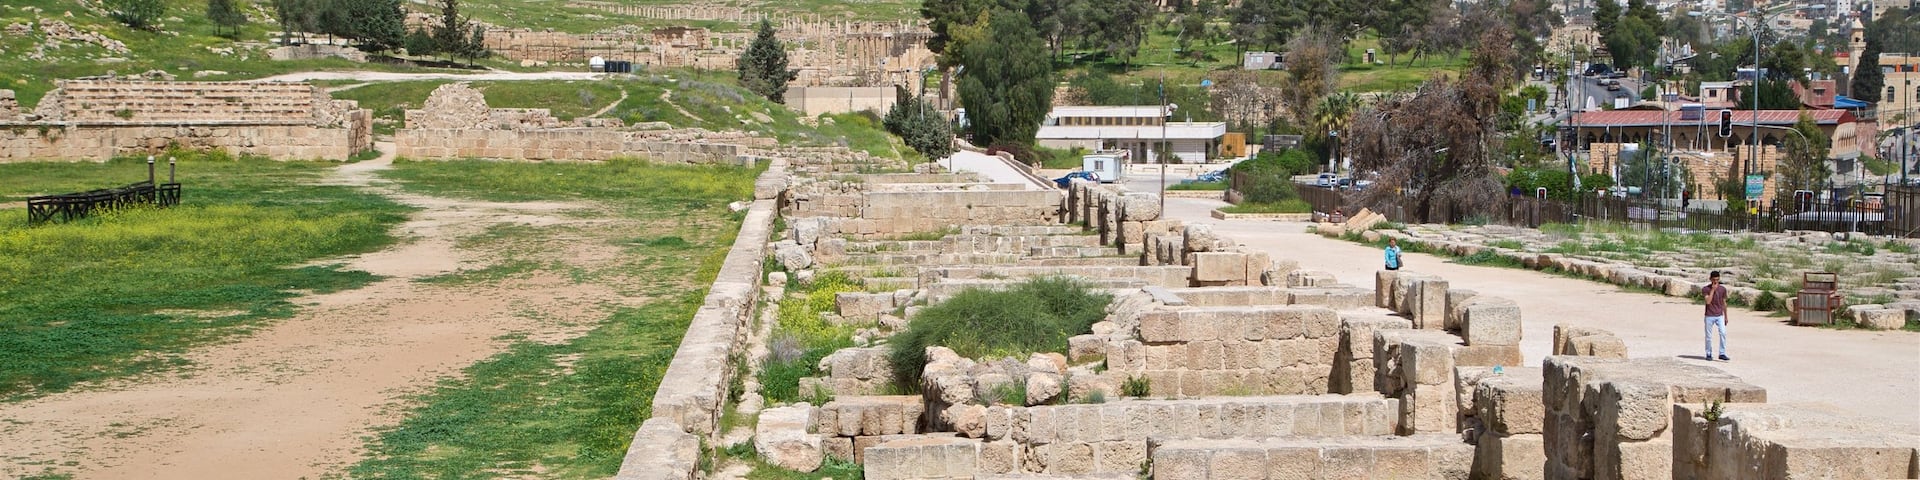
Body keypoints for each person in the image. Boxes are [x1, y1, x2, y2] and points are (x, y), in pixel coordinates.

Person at [1701, 271, 1730, 361]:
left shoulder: (1722, 289)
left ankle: (1722, 353)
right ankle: (1708, 353)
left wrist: (1726, 316)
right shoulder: (1705, 289)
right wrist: (1713, 290)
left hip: (1719, 315)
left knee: (1723, 333)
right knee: (1708, 336)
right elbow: (1708, 301)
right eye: (1714, 280)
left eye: (1717, 280)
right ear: (1710, 279)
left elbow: (1724, 303)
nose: (1715, 282)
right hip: (1709, 315)